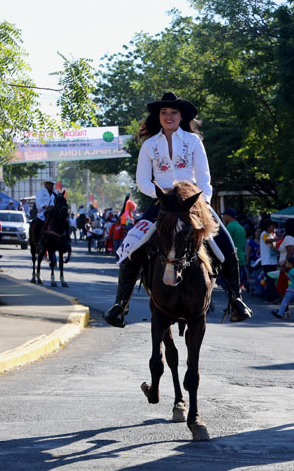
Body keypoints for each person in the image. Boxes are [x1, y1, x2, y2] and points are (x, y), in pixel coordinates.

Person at [102, 92, 252, 327]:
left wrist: (203, 204)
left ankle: (236, 300)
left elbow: (204, 178)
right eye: (164, 113)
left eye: (173, 112)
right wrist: (163, 196)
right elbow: (142, 181)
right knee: (130, 246)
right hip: (162, 202)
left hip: (193, 203)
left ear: (181, 116)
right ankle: (120, 304)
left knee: (226, 245)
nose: (168, 116)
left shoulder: (193, 141)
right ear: (158, 117)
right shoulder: (149, 145)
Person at [222, 207, 247, 292]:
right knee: (237, 285)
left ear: (229, 216)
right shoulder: (241, 227)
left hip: (231, 260)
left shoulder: (229, 227)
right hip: (241, 258)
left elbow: (224, 244)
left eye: (224, 215)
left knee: (229, 286)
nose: (223, 218)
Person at [259, 220, 280, 302]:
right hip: (267, 262)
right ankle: (270, 298)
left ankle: (273, 296)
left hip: (273, 261)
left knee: (272, 280)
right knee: (270, 280)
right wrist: (279, 238)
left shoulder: (271, 235)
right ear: (268, 227)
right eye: (272, 226)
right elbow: (267, 241)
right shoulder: (264, 234)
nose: (274, 228)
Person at [30, 180, 56, 247]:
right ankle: (36, 241)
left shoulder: (55, 193)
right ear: (46, 184)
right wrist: (45, 206)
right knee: (37, 225)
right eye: (49, 184)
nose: (50, 185)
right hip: (42, 213)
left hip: (53, 213)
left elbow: (57, 202)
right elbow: (38, 202)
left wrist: (53, 206)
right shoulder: (40, 192)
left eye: (51, 184)